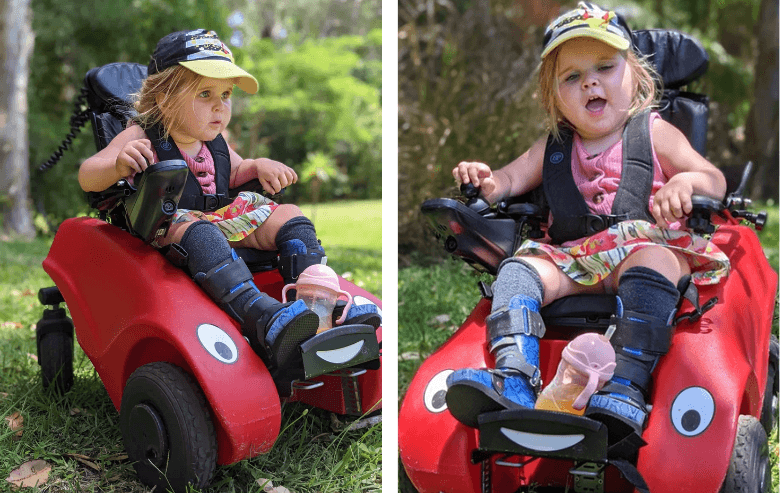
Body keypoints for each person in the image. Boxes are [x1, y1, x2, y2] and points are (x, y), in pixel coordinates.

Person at [444, 2, 730, 456]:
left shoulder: (655, 132)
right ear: (553, 94)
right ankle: (515, 375)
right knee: (519, 270)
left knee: (656, 261)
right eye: (571, 77)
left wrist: (683, 182)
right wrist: (484, 180)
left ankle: (625, 388)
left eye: (604, 67)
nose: (590, 82)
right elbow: (506, 182)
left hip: (641, 245)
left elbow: (713, 179)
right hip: (574, 258)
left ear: (634, 75)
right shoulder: (553, 147)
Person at [78, 29, 371, 370]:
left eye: (226, 94)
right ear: (163, 99)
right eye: (205, 94)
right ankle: (262, 316)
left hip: (217, 217)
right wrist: (116, 164)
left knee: (289, 214)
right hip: (168, 226)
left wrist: (257, 166)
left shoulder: (214, 141)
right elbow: (88, 174)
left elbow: (233, 173)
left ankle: (315, 304)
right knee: (202, 234)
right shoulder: (141, 135)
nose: (220, 105)